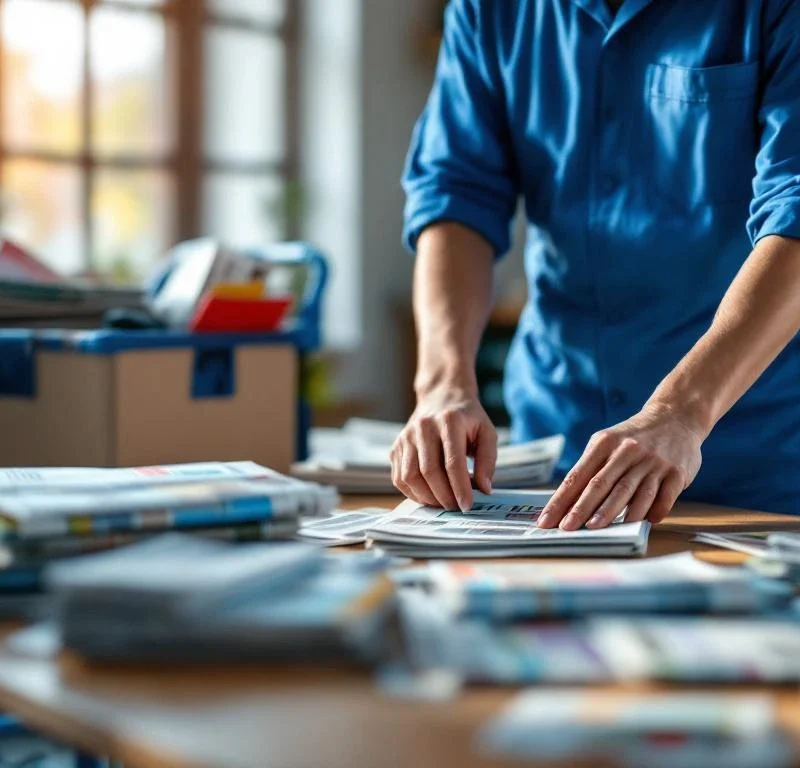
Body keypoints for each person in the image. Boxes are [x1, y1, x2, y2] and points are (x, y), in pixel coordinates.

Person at [391, 0, 800, 528]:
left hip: (762, 456)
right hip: (560, 444)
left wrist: (678, 412)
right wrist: (443, 385)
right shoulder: (488, 11)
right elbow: (456, 195)